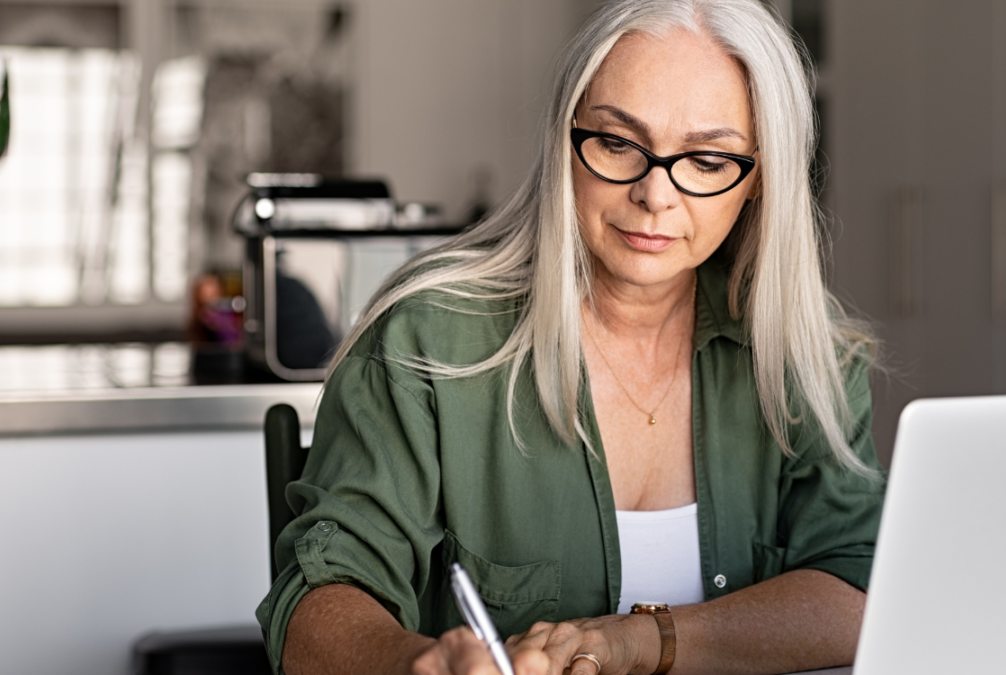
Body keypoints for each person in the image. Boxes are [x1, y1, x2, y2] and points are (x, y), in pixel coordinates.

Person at [256, 1, 885, 674]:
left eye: (706, 159)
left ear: (758, 178)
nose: (655, 193)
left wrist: (635, 641)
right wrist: (420, 663)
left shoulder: (801, 353)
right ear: (566, 137)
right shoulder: (424, 340)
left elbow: (857, 585)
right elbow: (316, 603)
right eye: (617, 143)